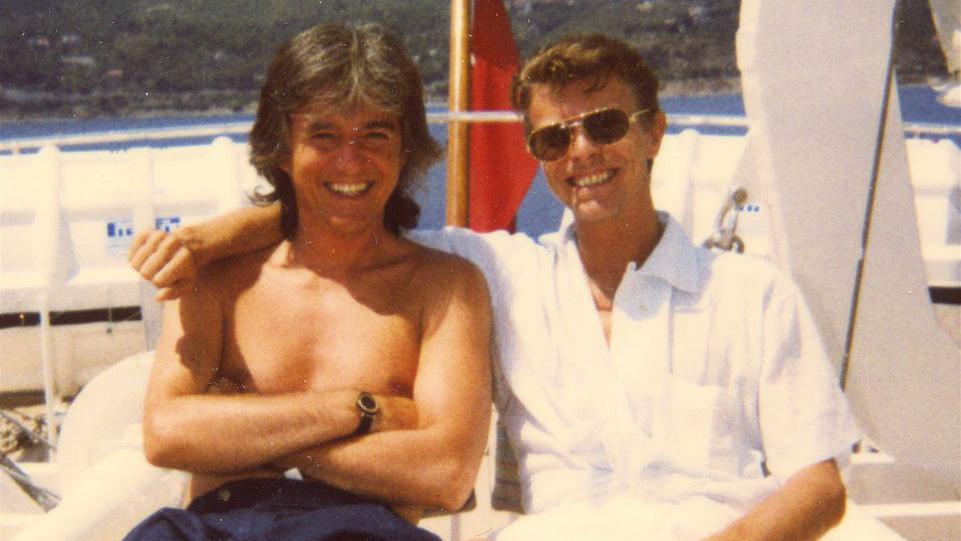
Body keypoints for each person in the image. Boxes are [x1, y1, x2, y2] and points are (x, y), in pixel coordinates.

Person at [130, 34, 859, 540]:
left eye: (603, 125)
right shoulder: (507, 273)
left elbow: (818, 485)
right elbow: (343, 208)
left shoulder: (753, 294)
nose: (581, 152)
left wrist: (251, 438)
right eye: (552, 137)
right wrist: (209, 239)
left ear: (653, 132)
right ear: (536, 154)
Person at [124, 22, 493, 541]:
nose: (351, 159)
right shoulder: (217, 277)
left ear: (404, 151)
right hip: (214, 528)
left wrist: (244, 428)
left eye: (376, 134)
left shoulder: (444, 288)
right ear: (281, 149)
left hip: (365, 532)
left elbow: (447, 474)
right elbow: (165, 435)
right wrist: (358, 410)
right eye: (324, 134)